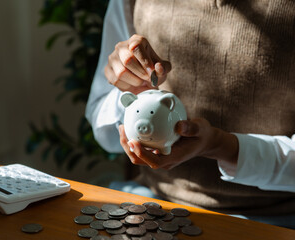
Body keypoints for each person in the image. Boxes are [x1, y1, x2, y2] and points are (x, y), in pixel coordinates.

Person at [85, 0, 295, 228]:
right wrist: (133, 92)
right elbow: (105, 134)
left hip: (274, 218)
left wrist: (222, 145)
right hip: (154, 204)